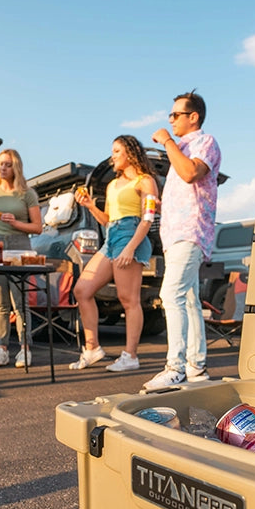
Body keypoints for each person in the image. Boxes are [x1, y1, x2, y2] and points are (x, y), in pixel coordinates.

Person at [143, 90, 221, 391]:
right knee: (187, 301)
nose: (171, 119)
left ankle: (174, 367)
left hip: (191, 232)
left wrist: (166, 141)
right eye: (170, 115)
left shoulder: (204, 142)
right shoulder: (182, 147)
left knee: (171, 293)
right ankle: (196, 367)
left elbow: (190, 173)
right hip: (175, 235)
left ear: (193, 117)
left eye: (176, 114)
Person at [69, 135, 158, 372]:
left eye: (117, 151)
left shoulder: (145, 181)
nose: (113, 157)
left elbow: (148, 218)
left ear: (130, 153)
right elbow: (107, 219)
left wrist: (130, 247)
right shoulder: (111, 185)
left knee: (129, 300)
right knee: (82, 290)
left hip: (132, 235)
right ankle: (92, 348)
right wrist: (90, 206)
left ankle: (130, 356)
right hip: (111, 238)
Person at [0, 149, 42, 367]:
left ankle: (24, 348)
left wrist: (16, 223)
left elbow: (38, 227)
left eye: (8, 164)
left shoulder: (27, 194)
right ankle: (2, 349)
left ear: (16, 167)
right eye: (0, 164)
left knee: (20, 302)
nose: (3, 167)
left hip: (19, 246)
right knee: (0, 303)